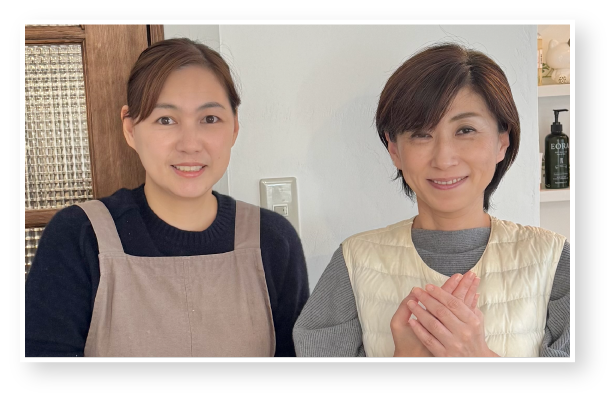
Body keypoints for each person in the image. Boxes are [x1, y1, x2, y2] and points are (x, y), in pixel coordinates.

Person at [25, 38, 310, 357]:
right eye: (166, 120)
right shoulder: (79, 237)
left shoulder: (273, 240)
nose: (190, 144)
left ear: (234, 129)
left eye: (210, 119)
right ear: (130, 129)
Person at [292, 42, 570, 358]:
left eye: (465, 130)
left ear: (502, 142)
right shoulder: (353, 262)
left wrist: (476, 355)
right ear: (394, 150)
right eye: (421, 134)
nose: (444, 158)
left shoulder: (554, 259)